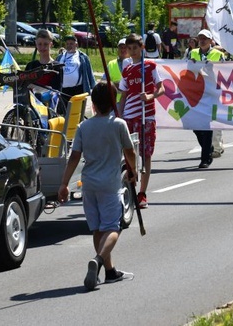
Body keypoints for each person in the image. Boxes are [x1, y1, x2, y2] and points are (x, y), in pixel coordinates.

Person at [58, 82, 137, 291]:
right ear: (113, 103)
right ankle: (99, 260)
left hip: (89, 185)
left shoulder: (84, 127)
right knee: (113, 228)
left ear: (92, 104)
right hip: (110, 184)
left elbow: (74, 156)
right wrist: (133, 171)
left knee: (97, 228)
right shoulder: (119, 124)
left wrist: (64, 183)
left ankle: (110, 271)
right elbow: (130, 151)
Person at [117, 34, 164, 209]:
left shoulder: (150, 66)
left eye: (135, 48)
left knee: (146, 154)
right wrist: (120, 116)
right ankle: (130, 184)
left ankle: (142, 193)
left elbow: (162, 88)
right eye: (129, 49)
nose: (132, 52)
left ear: (142, 48)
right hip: (129, 116)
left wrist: (150, 96)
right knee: (128, 153)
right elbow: (123, 95)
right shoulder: (127, 69)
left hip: (146, 116)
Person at [187, 29, 225, 168]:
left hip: (211, 93)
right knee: (194, 125)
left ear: (210, 41)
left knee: (207, 125)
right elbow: (185, 70)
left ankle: (204, 159)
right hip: (196, 94)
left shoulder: (218, 54)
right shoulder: (193, 53)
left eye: (205, 38)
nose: (202, 40)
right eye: (200, 38)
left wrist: (213, 67)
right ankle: (207, 148)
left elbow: (224, 72)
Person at [56, 34, 96, 105]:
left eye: (71, 43)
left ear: (76, 44)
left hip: (78, 89)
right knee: (64, 112)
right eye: (67, 43)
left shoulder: (82, 57)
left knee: (76, 112)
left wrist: (94, 88)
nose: (69, 45)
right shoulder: (60, 57)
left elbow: (90, 73)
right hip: (62, 90)